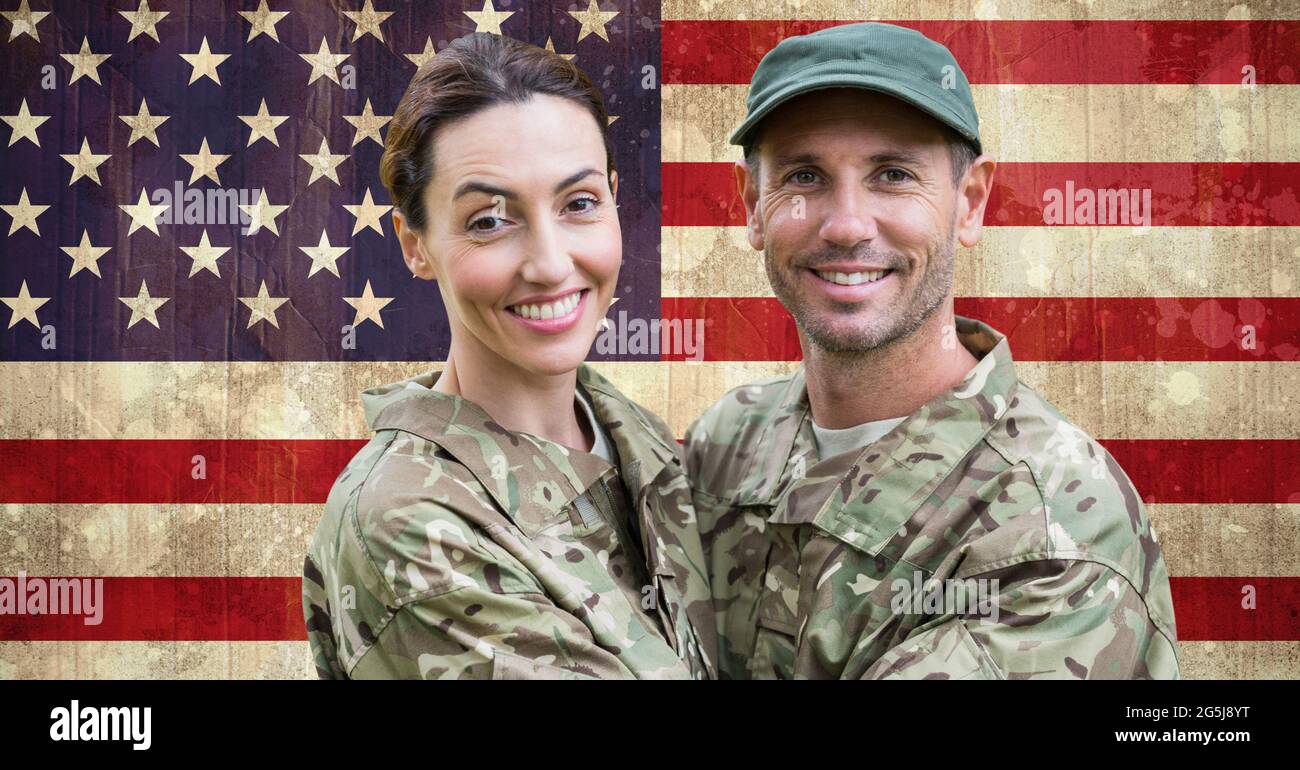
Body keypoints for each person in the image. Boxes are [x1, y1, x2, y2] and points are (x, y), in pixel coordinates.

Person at [684, 22, 1180, 679]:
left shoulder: (1051, 527)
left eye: (893, 175)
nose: (848, 224)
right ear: (753, 206)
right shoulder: (728, 444)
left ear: (969, 203)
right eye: (806, 175)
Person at [303, 32, 715, 680]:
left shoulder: (637, 439)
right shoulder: (408, 522)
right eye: (489, 220)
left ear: (612, 197)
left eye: (578, 204)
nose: (551, 264)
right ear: (414, 243)